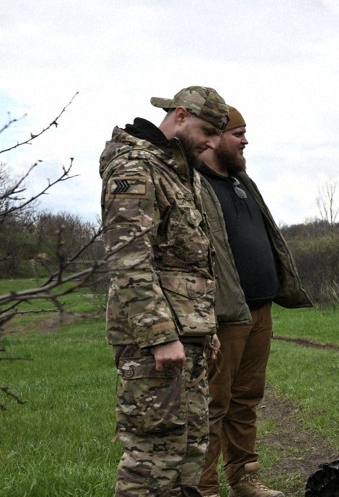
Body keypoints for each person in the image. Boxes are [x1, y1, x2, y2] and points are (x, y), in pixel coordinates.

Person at [100, 86, 228, 496]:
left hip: (186, 337)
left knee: (189, 449)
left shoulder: (178, 170)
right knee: (153, 457)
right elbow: (129, 259)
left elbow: (187, 262)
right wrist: (160, 335)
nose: (213, 144)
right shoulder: (136, 168)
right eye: (207, 131)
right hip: (153, 342)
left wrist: (205, 328)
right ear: (180, 115)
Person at [196, 107, 313, 497]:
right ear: (215, 136)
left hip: (260, 310)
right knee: (212, 403)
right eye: (238, 133)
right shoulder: (195, 184)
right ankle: (204, 488)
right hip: (224, 315)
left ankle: (243, 477)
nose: (245, 141)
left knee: (246, 399)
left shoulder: (242, 181)